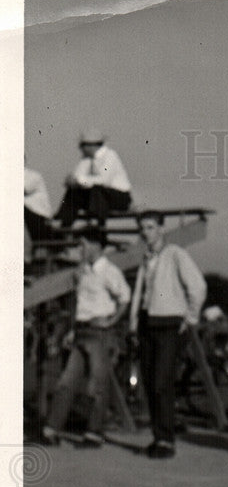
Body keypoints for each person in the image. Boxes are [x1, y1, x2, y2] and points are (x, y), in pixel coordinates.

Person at [40, 225, 130, 446]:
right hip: (81, 331)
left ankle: (94, 433)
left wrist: (111, 320)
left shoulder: (110, 271)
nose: (79, 248)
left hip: (99, 333)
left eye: (83, 244)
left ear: (96, 246)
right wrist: (71, 330)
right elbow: (79, 304)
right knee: (66, 382)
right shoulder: (82, 271)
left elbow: (124, 298)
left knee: (97, 384)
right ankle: (51, 430)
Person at [128, 210, 207, 458]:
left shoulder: (175, 254)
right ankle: (158, 437)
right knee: (150, 383)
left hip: (169, 324)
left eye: (150, 227)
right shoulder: (146, 258)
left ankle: (167, 441)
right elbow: (140, 294)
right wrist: (133, 325)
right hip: (147, 323)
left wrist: (191, 317)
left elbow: (198, 286)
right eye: (142, 228)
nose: (145, 232)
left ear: (161, 229)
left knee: (162, 382)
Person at [54, 128, 133, 228]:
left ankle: (97, 224)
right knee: (73, 192)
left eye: (82, 145)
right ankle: (64, 224)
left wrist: (79, 180)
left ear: (91, 145)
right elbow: (78, 176)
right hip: (97, 199)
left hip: (119, 197)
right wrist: (73, 181)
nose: (80, 149)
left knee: (97, 190)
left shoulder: (110, 156)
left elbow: (104, 180)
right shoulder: (86, 159)